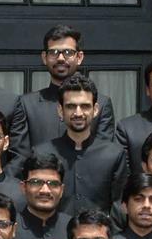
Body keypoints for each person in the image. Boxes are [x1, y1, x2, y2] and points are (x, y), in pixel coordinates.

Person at [9, 25, 116, 153]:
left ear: (79, 57)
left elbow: (104, 154)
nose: (60, 58)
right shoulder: (26, 104)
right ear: (44, 57)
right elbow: (20, 156)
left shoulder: (102, 104)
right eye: (54, 52)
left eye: (68, 52)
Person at [33, 73, 128, 215]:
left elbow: (118, 205)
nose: (78, 113)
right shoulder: (42, 153)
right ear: (60, 110)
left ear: (95, 110)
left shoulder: (113, 155)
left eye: (85, 106)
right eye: (71, 106)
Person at [12, 152, 73, 239]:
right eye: (36, 182)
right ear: (23, 187)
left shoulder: (73, 227)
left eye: (53, 184)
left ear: (62, 190)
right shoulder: (9, 229)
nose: (45, 190)